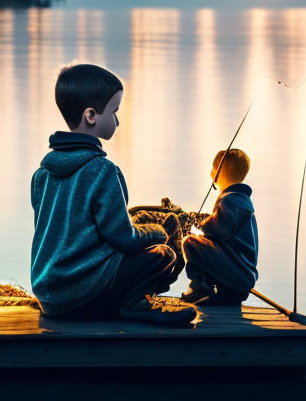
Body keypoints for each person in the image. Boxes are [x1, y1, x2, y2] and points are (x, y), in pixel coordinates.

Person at [30, 63, 195, 326]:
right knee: (164, 254)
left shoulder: (41, 174)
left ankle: (125, 301)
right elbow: (124, 239)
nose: (117, 120)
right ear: (91, 116)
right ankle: (134, 304)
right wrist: (156, 230)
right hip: (83, 294)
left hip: (50, 296)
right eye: (114, 111)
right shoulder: (101, 170)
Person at [181, 149, 258, 306]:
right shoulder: (241, 200)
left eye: (214, 168)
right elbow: (225, 229)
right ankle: (211, 290)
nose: (211, 172)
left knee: (190, 242)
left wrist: (199, 225)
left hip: (238, 274)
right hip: (242, 274)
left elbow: (219, 229)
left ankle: (200, 288)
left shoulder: (230, 201)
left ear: (219, 173)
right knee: (206, 243)